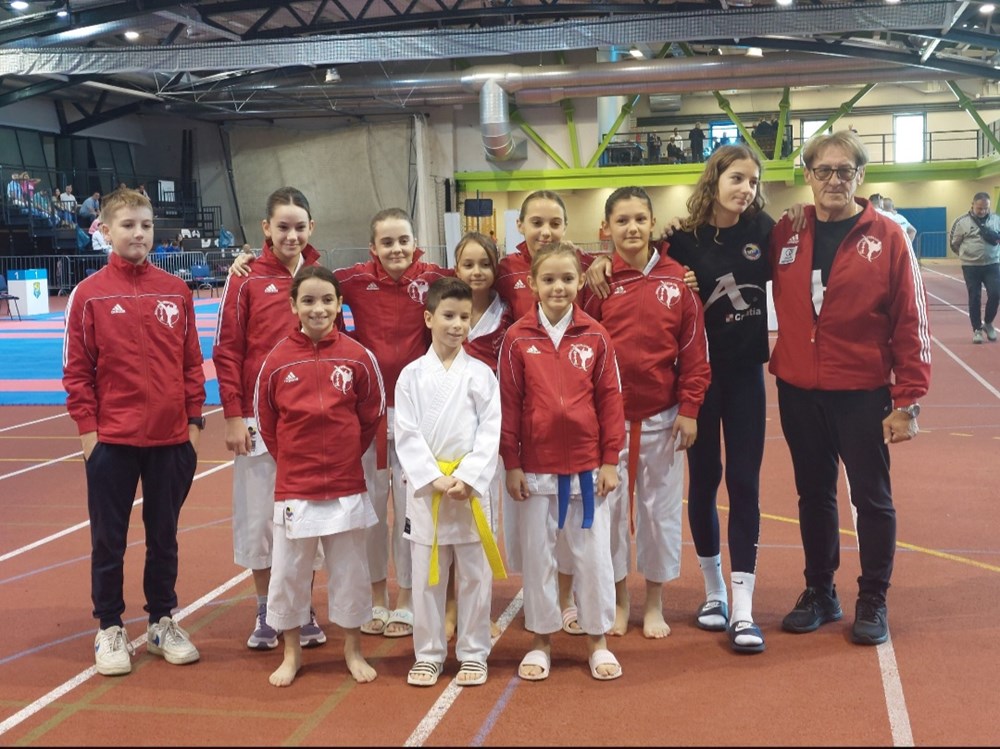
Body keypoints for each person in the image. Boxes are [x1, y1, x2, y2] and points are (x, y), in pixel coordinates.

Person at [228, 208, 450, 639]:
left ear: (416, 242)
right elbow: (313, 282)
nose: (396, 249)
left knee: (413, 511)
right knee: (370, 514)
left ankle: (407, 598)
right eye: (386, 242)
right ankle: (376, 596)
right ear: (372, 248)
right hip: (367, 413)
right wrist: (247, 262)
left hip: (417, 414)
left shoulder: (435, 279)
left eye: (403, 240)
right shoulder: (351, 281)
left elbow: (484, 274)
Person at [770, 130, 931, 646]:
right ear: (808, 175)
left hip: (862, 391)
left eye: (845, 170)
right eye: (824, 170)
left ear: (860, 176)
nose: (834, 179)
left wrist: (908, 399)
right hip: (799, 389)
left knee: (871, 498)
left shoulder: (887, 236)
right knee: (814, 494)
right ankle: (820, 592)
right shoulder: (787, 231)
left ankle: (873, 597)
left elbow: (911, 319)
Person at [62, 188, 205, 677]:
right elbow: (76, 371)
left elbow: (191, 363)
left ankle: (162, 621)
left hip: (171, 441)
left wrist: (193, 424)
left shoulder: (176, 290)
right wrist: (89, 435)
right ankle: (109, 626)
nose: (139, 233)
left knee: (164, 537)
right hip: (112, 442)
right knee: (110, 540)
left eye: (145, 225)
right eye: (128, 225)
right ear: (106, 231)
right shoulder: (89, 295)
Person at [581, 187, 711, 641]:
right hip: (609, 420)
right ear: (606, 228)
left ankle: (654, 602)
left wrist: (690, 408)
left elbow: (694, 352)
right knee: (611, 514)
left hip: (663, 416)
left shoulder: (679, 282)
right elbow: (584, 346)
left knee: (659, 513)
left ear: (653, 223)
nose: (632, 228)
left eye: (640, 219)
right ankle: (620, 600)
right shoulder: (598, 283)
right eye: (622, 221)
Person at [500, 240, 626, 682]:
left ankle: (597, 640)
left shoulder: (596, 335)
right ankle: (541, 640)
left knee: (593, 559)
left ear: (580, 281)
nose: (559, 287)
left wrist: (610, 459)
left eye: (567, 279)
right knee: (539, 559)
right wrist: (511, 462)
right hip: (536, 468)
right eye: (549, 279)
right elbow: (509, 405)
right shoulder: (517, 338)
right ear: (532, 283)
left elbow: (610, 401)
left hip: (587, 469)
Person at [254, 265, 385, 687]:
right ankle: (291, 652)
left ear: (339, 304)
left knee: (350, 571)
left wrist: (344, 455)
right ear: (293, 306)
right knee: (289, 572)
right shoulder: (277, 362)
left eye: (327, 300)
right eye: (308, 300)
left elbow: (371, 414)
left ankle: (353, 649)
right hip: (296, 486)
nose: (318, 308)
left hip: (346, 484)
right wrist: (296, 459)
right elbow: (268, 423)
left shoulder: (357, 357)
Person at [213, 186, 328, 651]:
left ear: (311, 228)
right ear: (266, 228)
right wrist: (233, 416)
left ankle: (302, 606)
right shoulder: (244, 279)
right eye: (282, 227)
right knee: (260, 519)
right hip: (258, 421)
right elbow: (227, 350)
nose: (291, 236)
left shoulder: (320, 276)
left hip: (311, 418)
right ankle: (265, 608)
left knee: (308, 516)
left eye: (299, 227)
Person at [395, 277, 503, 687]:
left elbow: (490, 431)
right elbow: (406, 433)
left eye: (464, 317)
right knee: (427, 579)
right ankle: (428, 653)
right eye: (448, 316)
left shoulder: (481, 375)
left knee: (475, 576)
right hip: (430, 492)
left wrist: (469, 476)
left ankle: (474, 652)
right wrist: (433, 478)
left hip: (469, 490)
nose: (457, 325)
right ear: (429, 318)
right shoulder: (410, 376)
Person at [493, 190, 590, 635]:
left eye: (554, 223)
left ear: (566, 227)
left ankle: (566, 597)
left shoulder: (585, 266)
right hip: (522, 405)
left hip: (571, 408)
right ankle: (539, 602)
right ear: (520, 226)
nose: (545, 231)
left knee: (569, 521)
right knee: (530, 525)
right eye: (536, 222)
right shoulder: (503, 270)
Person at [949, 192, 1000, 344]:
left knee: (996, 293)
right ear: (972, 205)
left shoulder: (996, 220)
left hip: (992, 264)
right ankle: (977, 329)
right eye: (979, 208)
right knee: (974, 297)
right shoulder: (961, 222)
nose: (983, 211)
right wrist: (966, 255)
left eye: (986, 208)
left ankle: (988, 323)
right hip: (971, 266)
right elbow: (954, 243)